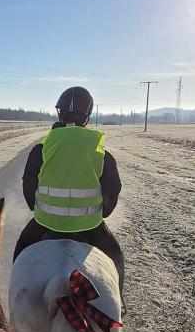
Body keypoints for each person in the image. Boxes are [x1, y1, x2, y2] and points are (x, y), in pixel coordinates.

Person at [13, 86, 125, 295]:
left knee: (21, 249)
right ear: (87, 117)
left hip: (45, 222)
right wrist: (102, 212)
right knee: (115, 255)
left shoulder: (42, 148)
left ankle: (14, 294)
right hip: (90, 226)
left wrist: (37, 207)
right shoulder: (101, 151)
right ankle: (119, 299)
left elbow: (28, 186)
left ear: (60, 113)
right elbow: (113, 190)